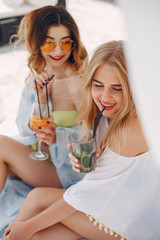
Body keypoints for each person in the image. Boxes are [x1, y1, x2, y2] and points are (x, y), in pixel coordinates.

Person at [3, 40, 160, 240]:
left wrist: (27, 227)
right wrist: (86, 163)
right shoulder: (103, 118)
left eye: (117, 88)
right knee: (37, 224)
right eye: (99, 85)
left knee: (35, 209)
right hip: (111, 201)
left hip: (130, 221)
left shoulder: (132, 127)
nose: (105, 96)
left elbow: (85, 193)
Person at [0, 5, 88, 194]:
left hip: (66, 171)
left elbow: (92, 138)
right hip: (40, 158)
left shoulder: (77, 82)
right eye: (49, 43)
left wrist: (57, 137)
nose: (58, 51)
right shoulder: (39, 77)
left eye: (65, 42)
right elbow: (24, 128)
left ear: (73, 44)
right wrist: (41, 100)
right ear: (37, 43)